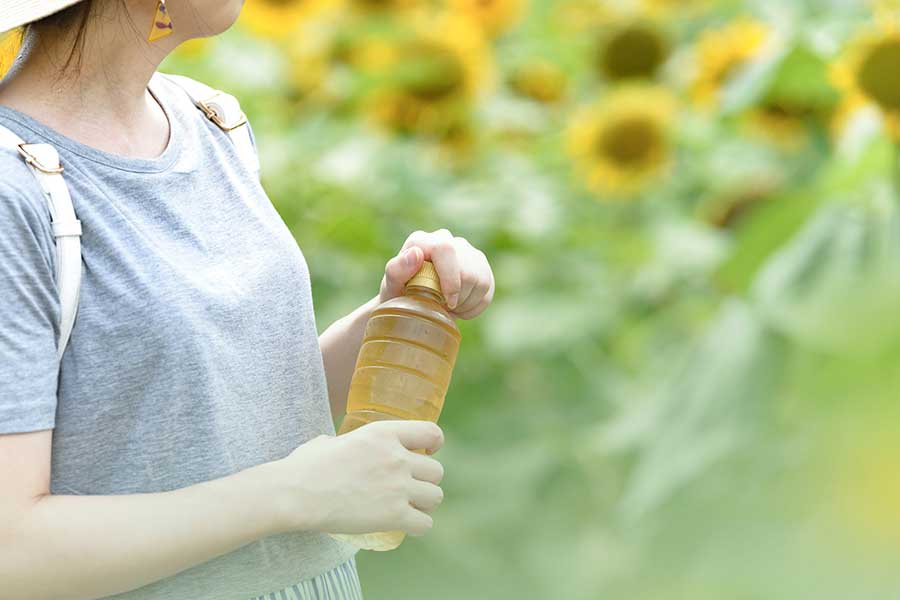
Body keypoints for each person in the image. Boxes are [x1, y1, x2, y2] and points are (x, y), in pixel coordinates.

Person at [0, 1, 495, 598]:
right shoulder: (12, 191)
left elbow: (235, 408)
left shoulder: (209, 121)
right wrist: (292, 493)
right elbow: (13, 550)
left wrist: (398, 310)